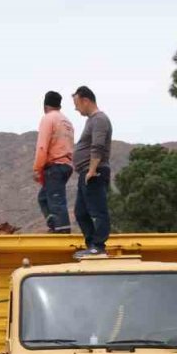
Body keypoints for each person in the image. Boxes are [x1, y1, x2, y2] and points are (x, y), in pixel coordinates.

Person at [71, 85, 113, 258]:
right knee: (80, 212)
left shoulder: (99, 119)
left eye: (77, 104)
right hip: (86, 173)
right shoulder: (91, 120)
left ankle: (98, 246)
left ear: (86, 100)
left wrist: (92, 170)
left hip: (94, 172)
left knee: (97, 211)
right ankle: (92, 245)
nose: (76, 108)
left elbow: (98, 146)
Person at [33, 90, 75, 234]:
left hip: (55, 166)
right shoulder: (67, 122)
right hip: (67, 165)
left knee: (56, 201)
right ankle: (54, 227)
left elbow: (42, 146)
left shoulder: (48, 119)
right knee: (44, 197)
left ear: (45, 106)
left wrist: (38, 169)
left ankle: (62, 233)